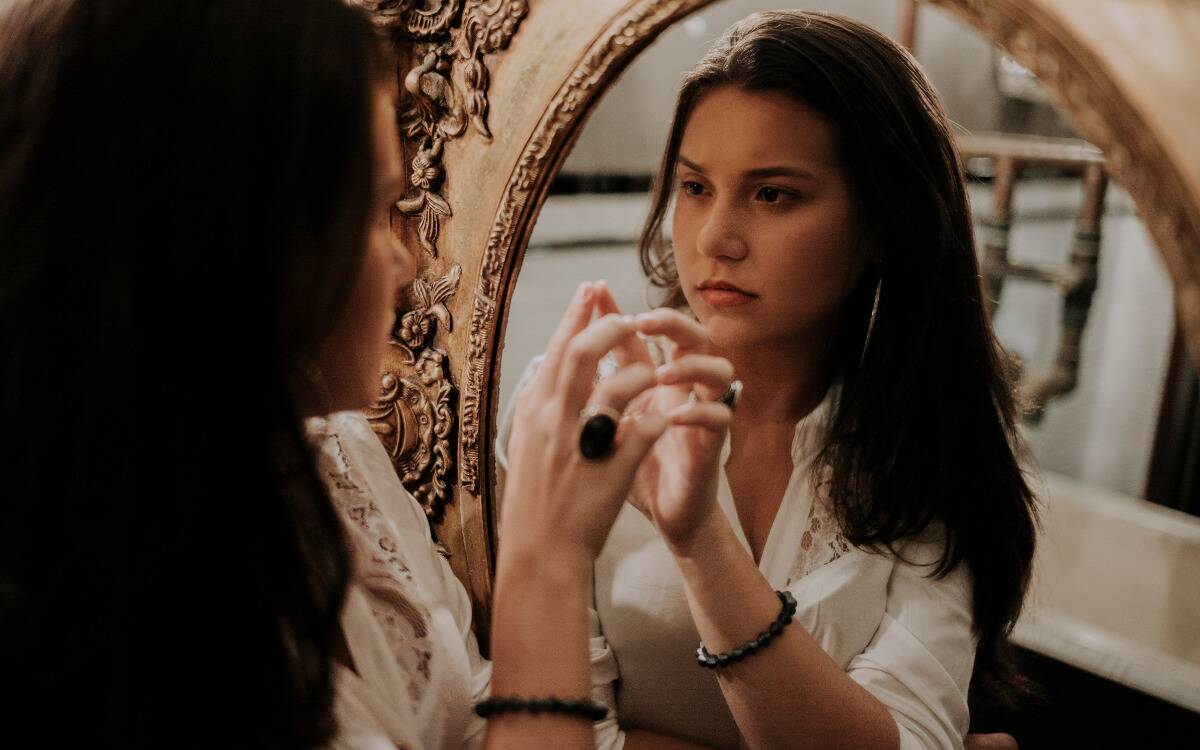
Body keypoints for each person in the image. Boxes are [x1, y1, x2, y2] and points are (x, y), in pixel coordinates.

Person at [0, 1, 685, 748]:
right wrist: (545, 560)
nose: (403, 261)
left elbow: (469, 713)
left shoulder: (336, 457)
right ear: (233, 239)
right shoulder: (92, 604)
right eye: (374, 211)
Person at [498, 11, 1037, 750]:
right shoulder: (585, 411)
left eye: (773, 194)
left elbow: (914, 738)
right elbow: (548, 728)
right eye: (694, 187)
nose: (716, 237)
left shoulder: (927, 447)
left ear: (883, 224)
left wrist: (701, 543)